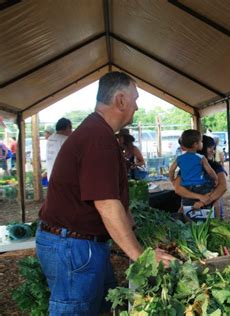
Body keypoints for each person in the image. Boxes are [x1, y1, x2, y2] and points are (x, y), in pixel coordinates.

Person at [36, 72, 175, 315]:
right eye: (135, 99)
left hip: (79, 244)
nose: (137, 106)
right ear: (120, 101)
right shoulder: (97, 138)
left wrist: (139, 239)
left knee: (101, 307)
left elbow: (118, 204)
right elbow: (107, 204)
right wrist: (141, 256)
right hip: (73, 246)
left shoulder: (98, 132)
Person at [173, 135, 227, 219]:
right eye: (210, 148)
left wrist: (203, 202)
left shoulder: (216, 166)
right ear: (201, 147)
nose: (213, 151)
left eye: (214, 148)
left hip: (211, 208)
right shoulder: (188, 166)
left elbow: (223, 187)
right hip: (190, 209)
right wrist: (200, 197)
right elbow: (178, 189)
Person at [168, 130, 218, 213]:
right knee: (212, 187)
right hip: (200, 186)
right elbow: (210, 171)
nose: (202, 143)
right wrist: (215, 178)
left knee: (187, 206)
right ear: (195, 144)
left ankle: (188, 217)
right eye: (201, 141)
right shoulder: (200, 157)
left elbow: (171, 170)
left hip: (186, 187)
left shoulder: (179, 158)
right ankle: (204, 204)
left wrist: (172, 180)